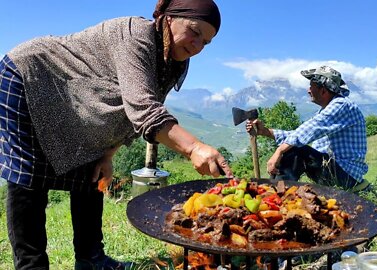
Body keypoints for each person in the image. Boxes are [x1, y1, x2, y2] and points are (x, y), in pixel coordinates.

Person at [0, 0, 233, 269]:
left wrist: (108, 154)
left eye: (205, 42)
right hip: (29, 76)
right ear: (169, 19)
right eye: (194, 31)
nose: (197, 46)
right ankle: (31, 265)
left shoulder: (174, 61)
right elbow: (143, 109)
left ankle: (91, 260)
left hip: (77, 100)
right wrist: (193, 148)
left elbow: (134, 110)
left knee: (92, 170)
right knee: (29, 177)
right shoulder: (136, 35)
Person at [246, 66, 369, 191]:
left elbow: (309, 129)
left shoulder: (341, 105)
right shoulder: (327, 109)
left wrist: (280, 150)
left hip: (347, 177)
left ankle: (276, 194)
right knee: (293, 145)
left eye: (311, 86)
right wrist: (265, 132)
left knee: (296, 150)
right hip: (339, 172)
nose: (308, 90)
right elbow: (300, 134)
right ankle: (276, 193)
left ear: (323, 91)